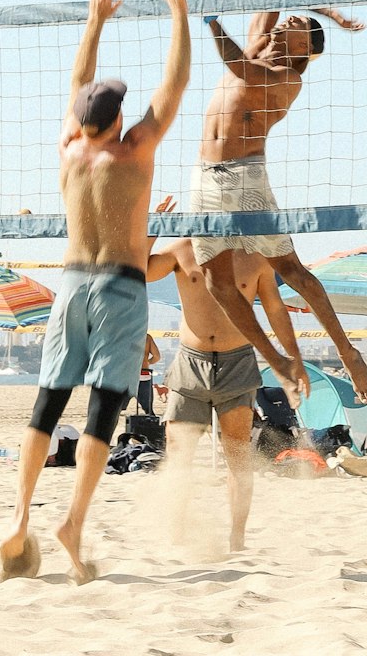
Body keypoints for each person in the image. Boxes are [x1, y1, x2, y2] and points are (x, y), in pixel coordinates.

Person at [0, 0, 191, 584]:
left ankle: (20, 517)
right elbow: (176, 83)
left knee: (47, 406)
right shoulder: (134, 149)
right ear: (115, 121)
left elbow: (79, 85)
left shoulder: (69, 148)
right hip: (120, 291)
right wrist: (179, 13)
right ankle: (73, 522)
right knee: (105, 409)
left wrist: (96, 19)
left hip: (70, 288)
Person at [193, 0, 367, 404]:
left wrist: (211, 20)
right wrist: (324, 10)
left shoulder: (287, 78)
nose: (287, 19)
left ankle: (347, 353)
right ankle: (276, 360)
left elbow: (238, 68)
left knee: (291, 270)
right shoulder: (262, 42)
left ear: (305, 48)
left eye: (297, 24)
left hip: (244, 176)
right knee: (216, 282)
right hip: (203, 175)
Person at [146, 236, 308, 552]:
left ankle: (237, 538)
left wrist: (293, 359)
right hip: (191, 361)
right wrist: (151, 231)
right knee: (179, 456)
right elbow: (140, 270)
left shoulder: (255, 255)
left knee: (237, 457)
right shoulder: (183, 249)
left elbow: (274, 308)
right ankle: (177, 533)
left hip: (238, 361)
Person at [136, 334, 161, 415]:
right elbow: (157, 356)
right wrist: (147, 362)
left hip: (125, 373)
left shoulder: (122, 335)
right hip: (143, 372)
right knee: (148, 409)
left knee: (114, 407)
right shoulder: (147, 337)